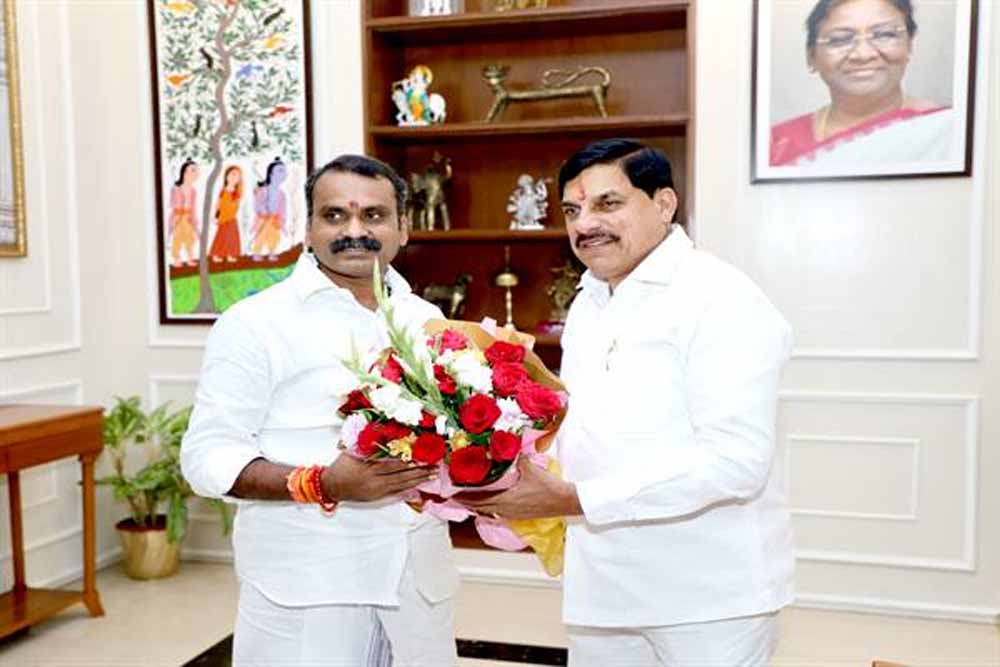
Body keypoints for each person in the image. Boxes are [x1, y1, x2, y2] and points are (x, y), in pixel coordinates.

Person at [460, 138, 794, 666]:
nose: (585, 224)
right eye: (572, 210)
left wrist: (573, 499)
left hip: (708, 598)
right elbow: (591, 429)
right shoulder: (591, 299)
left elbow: (736, 463)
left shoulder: (720, 298)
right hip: (602, 590)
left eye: (608, 203)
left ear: (664, 204)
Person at [181, 154, 459, 667]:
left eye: (373, 215)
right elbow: (206, 456)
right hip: (307, 583)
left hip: (416, 579)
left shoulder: (426, 318)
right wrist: (322, 483)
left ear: (403, 227)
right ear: (308, 228)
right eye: (334, 215)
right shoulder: (254, 323)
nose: (354, 231)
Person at [770, 0, 954, 167]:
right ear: (811, 57)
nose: (863, 55)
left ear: (909, 45)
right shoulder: (776, 146)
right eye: (840, 39)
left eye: (884, 35)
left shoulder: (947, 131)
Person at [250, 157, 288, 261]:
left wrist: (281, 221)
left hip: (274, 218)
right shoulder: (263, 190)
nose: (284, 174)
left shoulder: (282, 194)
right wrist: (263, 209)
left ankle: (272, 252)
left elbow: (283, 210)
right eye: (280, 171)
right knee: (260, 236)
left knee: (274, 237)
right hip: (263, 218)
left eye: (284, 171)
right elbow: (257, 204)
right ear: (271, 173)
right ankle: (257, 253)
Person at [208, 165, 243, 263]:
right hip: (223, 218)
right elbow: (218, 204)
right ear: (226, 176)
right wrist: (215, 216)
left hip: (232, 218)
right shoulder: (223, 190)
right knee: (222, 237)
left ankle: (230, 254)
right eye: (232, 174)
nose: (234, 177)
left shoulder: (237, 192)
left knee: (232, 238)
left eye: (237, 176)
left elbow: (236, 205)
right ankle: (217, 254)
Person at [169, 159, 200, 267]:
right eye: (193, 170)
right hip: (178, 217)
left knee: (190, 238)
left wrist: (194, 219)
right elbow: (174, 205)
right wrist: (176, 217)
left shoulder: (193, 191)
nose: (196, 173)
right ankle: (176, 258)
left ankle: (190, 257)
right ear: (185, 172)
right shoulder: (176, 189)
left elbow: (193, 207)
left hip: (188, 217)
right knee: (177, 238)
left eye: (196, 171)